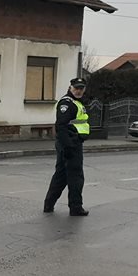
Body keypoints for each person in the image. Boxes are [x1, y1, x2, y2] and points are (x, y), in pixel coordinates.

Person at [44, 77, 90, 216]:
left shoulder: (77, 102)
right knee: (76, 177)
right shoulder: (67, 103)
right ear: (70, 88)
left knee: (61, 175)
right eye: (76, 88)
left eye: (81, 88)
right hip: (70, 144)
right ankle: (76, 207)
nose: (78, 91)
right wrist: (68, 146)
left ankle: (49, 204)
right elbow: (61, 126)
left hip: (71, 142)